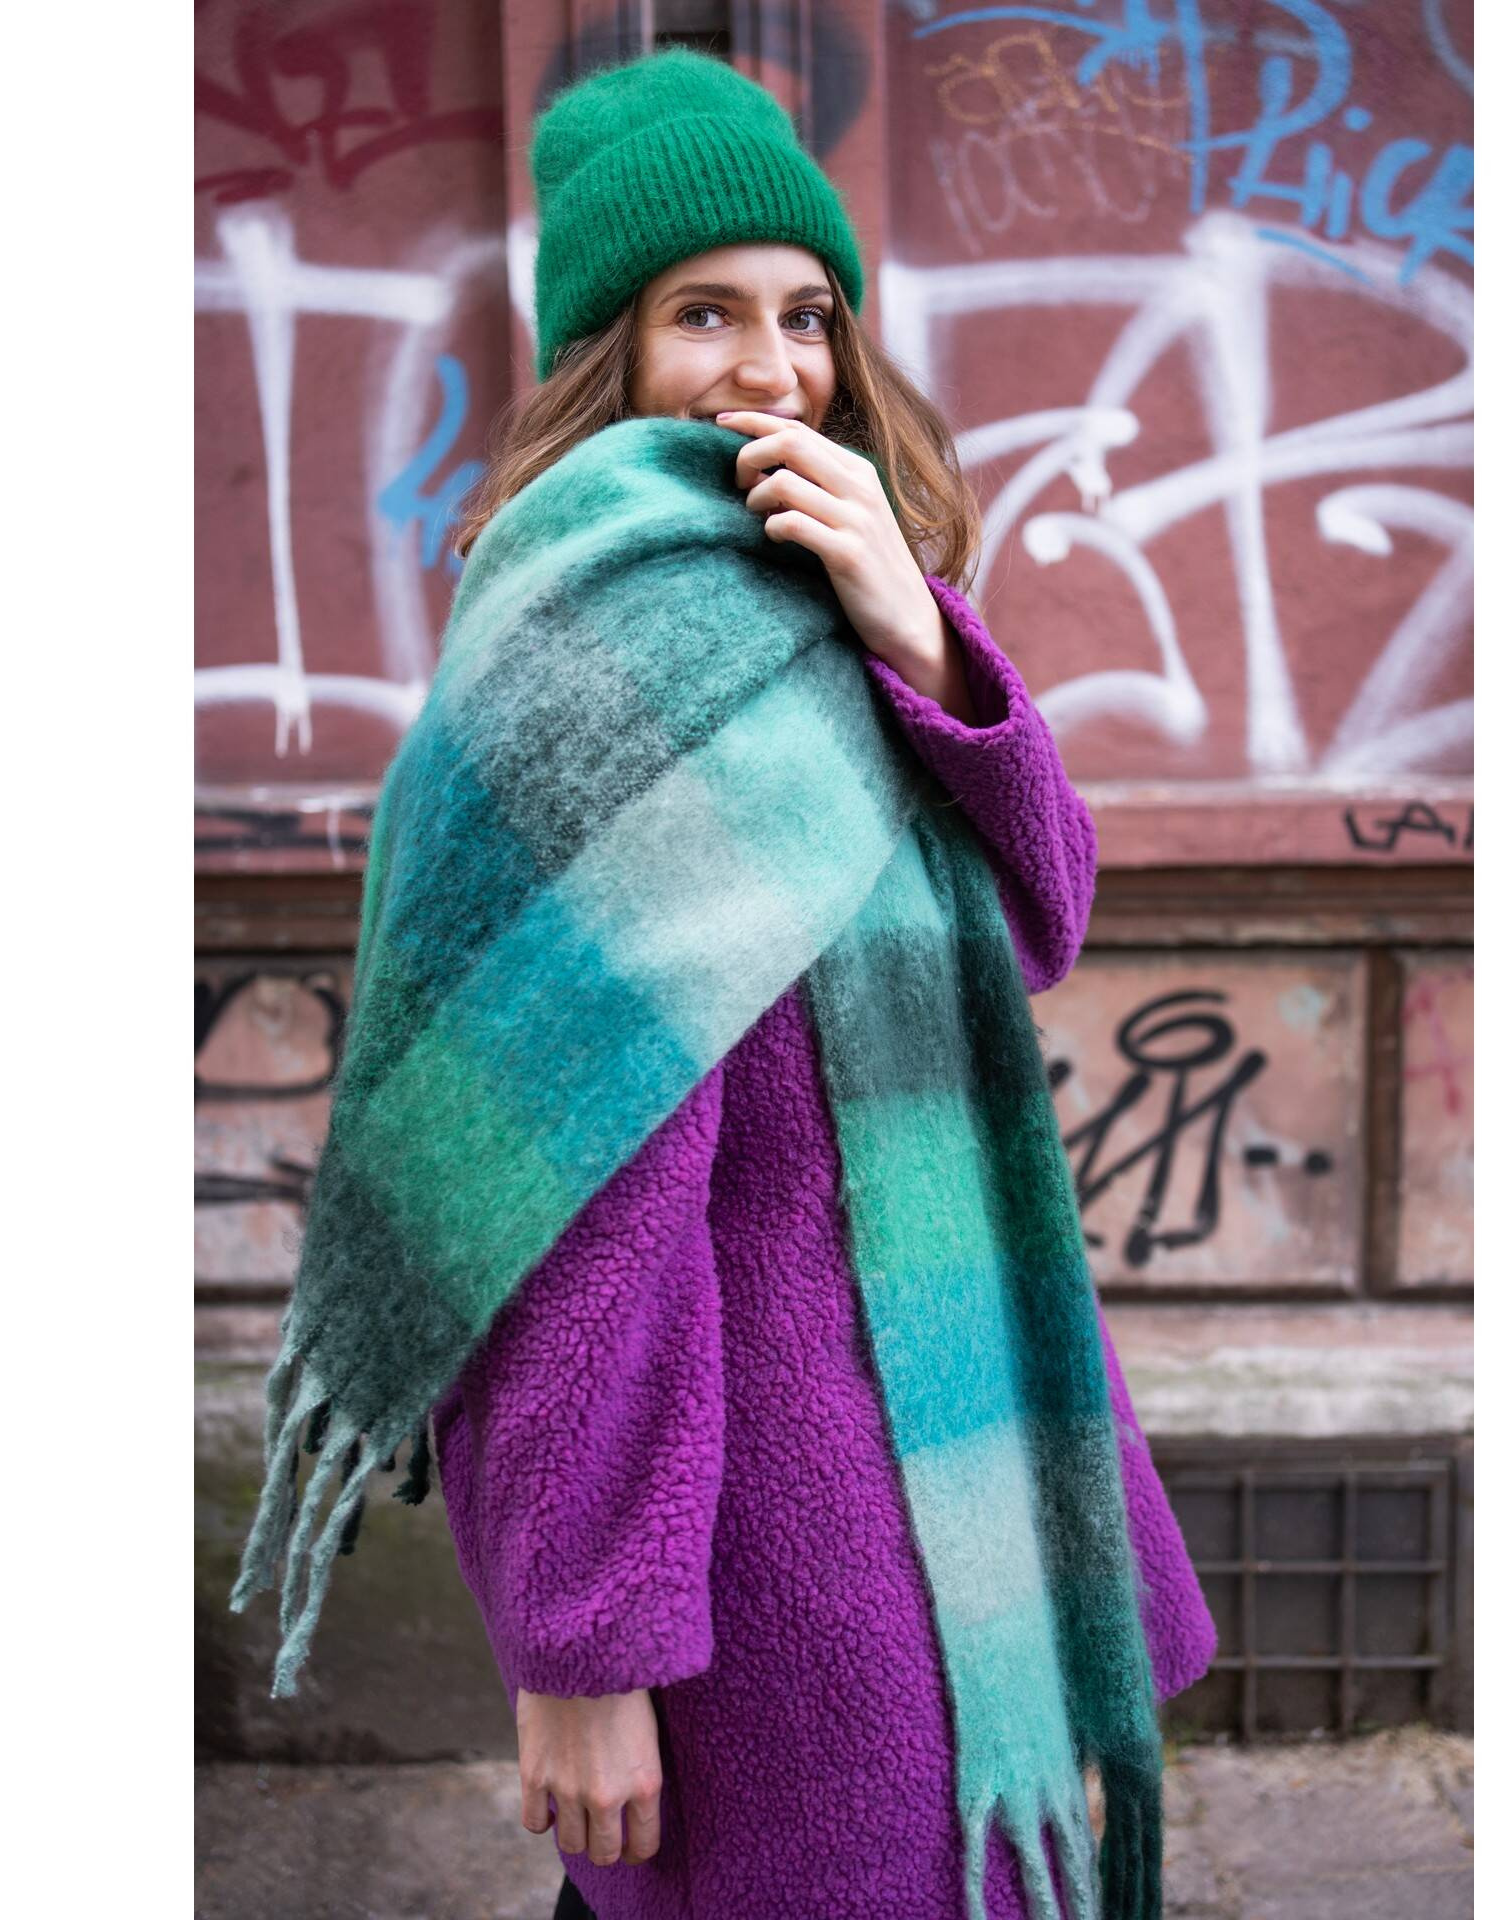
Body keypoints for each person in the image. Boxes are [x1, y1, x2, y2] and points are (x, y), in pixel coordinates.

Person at [422, 48, 1218, 1920]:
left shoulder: (827, 606)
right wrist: (581, 1640)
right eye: (703, 315)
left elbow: (1040, 914)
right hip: (776, 1513)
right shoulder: (588, 663)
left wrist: (922, 640)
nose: (772, 369)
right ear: (607, 356)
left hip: (963, 1415)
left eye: (805, 315)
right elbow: (556, 1205)